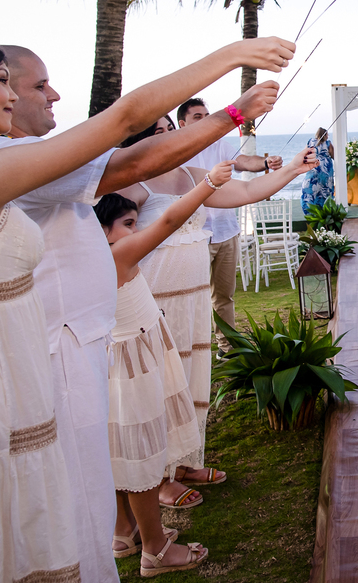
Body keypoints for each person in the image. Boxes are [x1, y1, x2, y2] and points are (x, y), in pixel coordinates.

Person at [0, 25, 291, 582]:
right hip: (19, 366)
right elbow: (123, 130)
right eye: (2, 81)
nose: (13, 95)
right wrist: (233, 59)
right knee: (51, 511)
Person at [115, 136, 317, 509]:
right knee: (159, 385)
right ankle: (158, 478)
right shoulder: (133, 184)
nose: (168, 137)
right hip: (155, 297)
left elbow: (248, 190)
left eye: (169, 129)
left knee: (191, 376)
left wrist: (291, 168)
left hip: (192, 296)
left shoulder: (193, 175)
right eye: (157, 132)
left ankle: (184, 461)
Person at [96, 164, 234, 576]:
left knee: (121, 450)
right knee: (142, 453)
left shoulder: (93, 261)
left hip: (118, 360)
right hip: (136, 361)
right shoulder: (120, 253)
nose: (135, 231)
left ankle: (124, 532)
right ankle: (155, 549)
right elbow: (171, 220)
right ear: (103, 230)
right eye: (127, 224)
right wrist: (209, 183)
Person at [177, 98, 283, 353]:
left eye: (206, 115)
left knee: (224, 297)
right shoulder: (177, 153)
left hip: (226, 232)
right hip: (195, 236)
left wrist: (266, 163)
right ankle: (191, 349)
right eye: (197, 117)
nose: (205, 120)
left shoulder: (219, 145)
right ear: (182, 124)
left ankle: (228, 348)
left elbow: (244, 161)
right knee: (192, 299)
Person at [301, 128, 335, 215]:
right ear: (325, 135)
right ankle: (324, 211)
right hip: (326, 170)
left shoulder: (310, 141)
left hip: (314, 167)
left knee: (311, 188)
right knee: (325, 190)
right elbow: (333, 155)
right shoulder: (328, 143)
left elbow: (304, 154)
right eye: (327, 135)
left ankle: (310, 211)